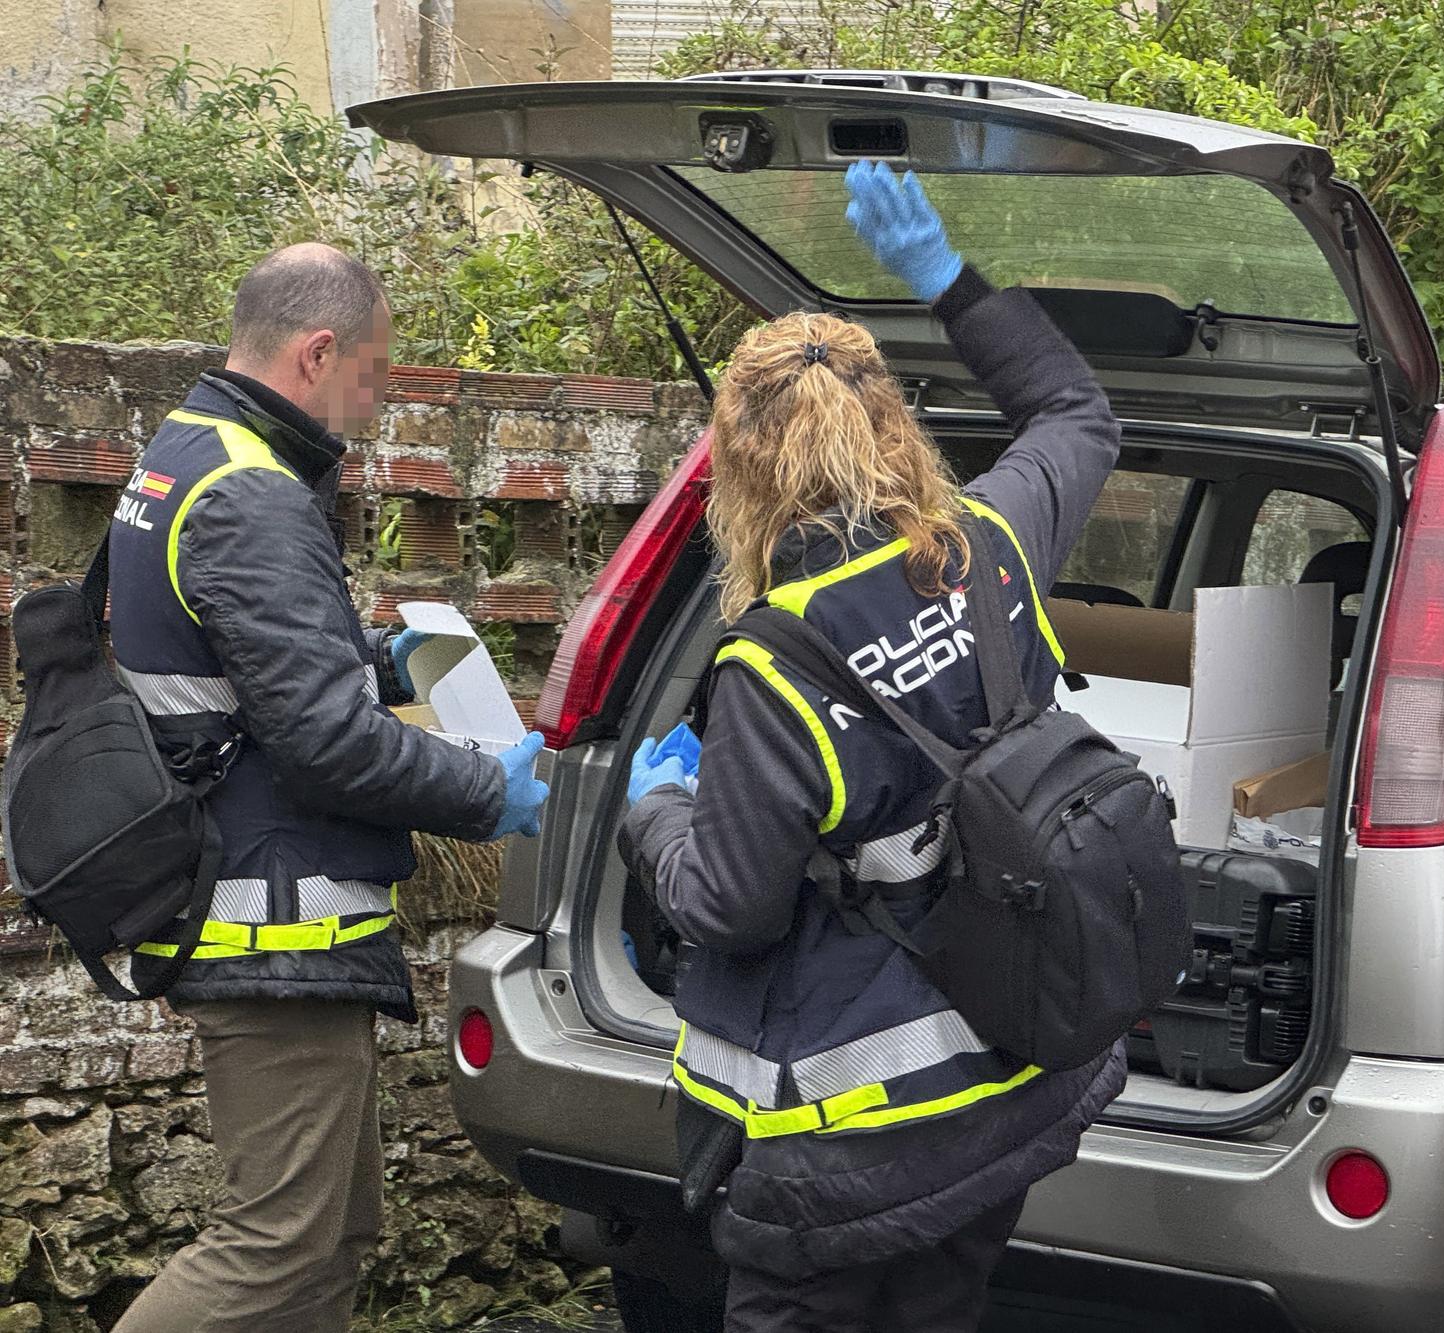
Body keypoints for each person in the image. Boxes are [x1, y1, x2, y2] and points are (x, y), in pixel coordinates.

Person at [618, 162, 1126, 1333]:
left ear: (739, 469)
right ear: (892, 423)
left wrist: (657, 815)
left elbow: (731, 907)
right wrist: (944, 277)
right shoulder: (990, 545)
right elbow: (1076, 412)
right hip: (999, 1087)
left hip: (842, 1137)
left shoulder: (771, 665)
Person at [108, 243, 549, 1333]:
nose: (379, 395)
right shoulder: (251, 492)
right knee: (273, 1244)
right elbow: (328, 747)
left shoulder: (186, 451)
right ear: (317, 352)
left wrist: (371, 654)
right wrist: (492, 791)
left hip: (260, 917)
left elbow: (241, 658)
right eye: (376, 370)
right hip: (269, 934)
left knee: (331, 1244)